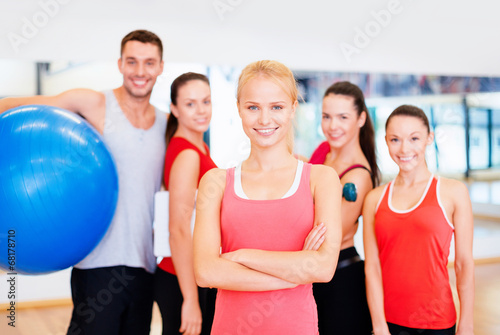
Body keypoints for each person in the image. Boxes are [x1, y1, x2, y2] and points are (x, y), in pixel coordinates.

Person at [0, 29, 167, 335]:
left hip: (145, 264)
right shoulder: (93, 102)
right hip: (96, 264)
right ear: (120, 64)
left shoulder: (166, 124)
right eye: (132, 62)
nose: (140, 72)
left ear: (160, 66)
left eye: (148, 63)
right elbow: (11, 104)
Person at [193, 60, 343, 335]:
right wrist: (293, 273)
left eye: (276, 107)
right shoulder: (215, 182)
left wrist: (239, 256)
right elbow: (206, 273)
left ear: (293, 108)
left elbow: (322, 268)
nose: (264, 120)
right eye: (253, 107)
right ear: (239, 108)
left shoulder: (321, 179)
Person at [363, 105, 475, 335]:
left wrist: (467, 324)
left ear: (429, 139)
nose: (404, 148)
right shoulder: (374, 199)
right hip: (390, 321)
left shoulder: (453, 192)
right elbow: (372, 267)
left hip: (437, 320)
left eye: (414, 138)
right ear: (386, 141)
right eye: (395, 139)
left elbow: (464, 264)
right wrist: (378, 325)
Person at [309, 81, 379, 334]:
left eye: (342, 117)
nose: (332, 126)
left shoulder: (358, 177)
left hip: (341, 279)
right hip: (312, 274)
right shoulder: (323, 152)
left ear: (361, 118)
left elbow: (325, 236)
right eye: (326, 116)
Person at [154, 72, 217, 335]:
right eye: (190, 104)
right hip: (181, 279)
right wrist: (190, 299)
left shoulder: (198, 146)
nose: (201, 111)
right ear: (175, 109)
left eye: (206, 101)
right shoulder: (188, 154)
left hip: (193, 274)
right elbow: (178, 230)